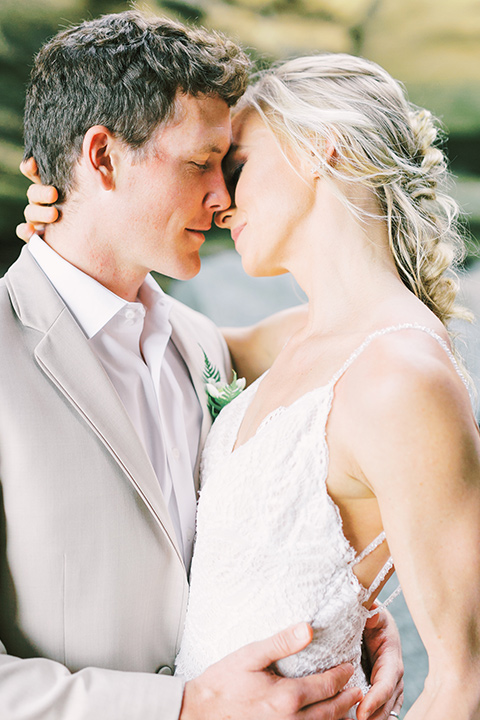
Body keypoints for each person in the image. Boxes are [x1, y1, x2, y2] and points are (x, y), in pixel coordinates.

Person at [1, 11, 403, 720]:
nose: (224, 200)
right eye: (200, 165)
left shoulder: (205, 346)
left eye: (232, 167)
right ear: (102, 159)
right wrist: (182, 708)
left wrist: (351, 623)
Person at [170, 55, 480, 718]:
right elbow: (133, 338)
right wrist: (65, 226)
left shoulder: (401, 377)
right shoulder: (290, 339)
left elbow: (466, 680)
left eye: (237, 167)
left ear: (315, 149)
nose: (219, 202)